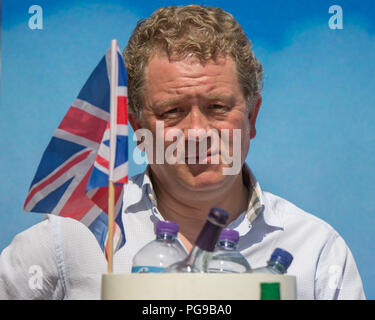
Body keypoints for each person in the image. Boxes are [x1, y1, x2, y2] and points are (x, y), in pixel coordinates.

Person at [0, 5, 365, 300]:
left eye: (218, 106)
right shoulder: (75, 237)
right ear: (138, 128)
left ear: (252, 117)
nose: (197, 132)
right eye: (172, 111)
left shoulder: (316, 251)